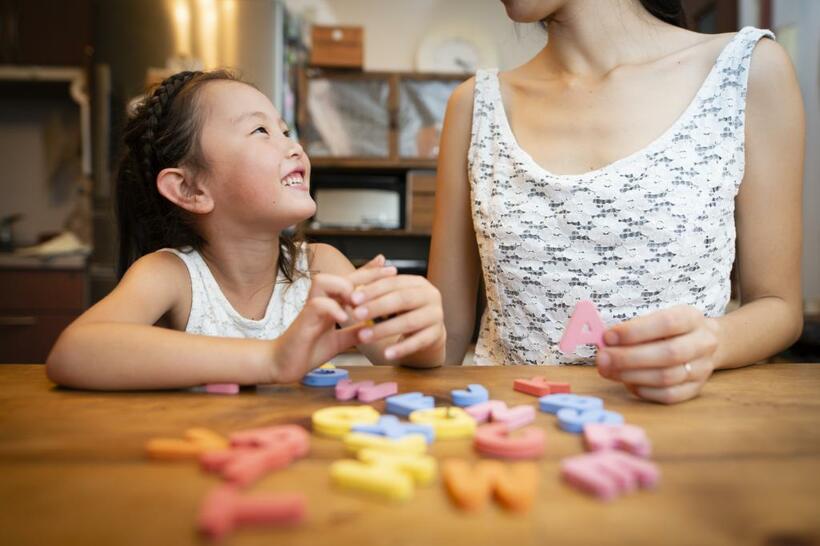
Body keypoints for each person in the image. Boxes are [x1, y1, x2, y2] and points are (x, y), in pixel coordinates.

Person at [428, 0, 804, 403]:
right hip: (512, 441)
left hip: (677, 438)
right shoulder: (474, 105)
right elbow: (443, 338)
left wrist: (713, 341)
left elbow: (778, 306)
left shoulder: (746, 70)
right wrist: (389, 331)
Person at [46, 70, 445, 390]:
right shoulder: (171, 275)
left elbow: (402, 355)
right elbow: (74, 353)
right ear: (190, 188)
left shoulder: (321, 267)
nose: (294, 147)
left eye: (285, 131)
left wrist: (427, 334)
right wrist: (272, 360)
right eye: (260, 131)